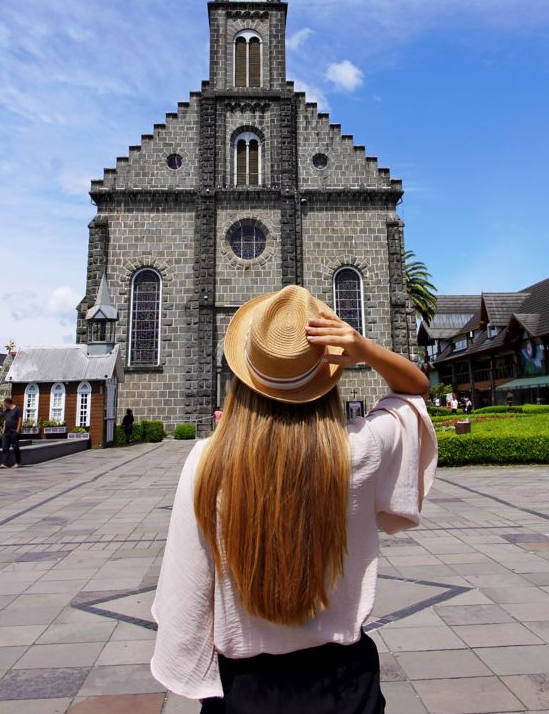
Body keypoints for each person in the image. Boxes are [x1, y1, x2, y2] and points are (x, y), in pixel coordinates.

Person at [151, 285, 435, 712]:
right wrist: (363, 348)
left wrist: (196, 670)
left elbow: (187, 581)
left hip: (245, 690)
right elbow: (414, 392)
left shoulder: (207, 459)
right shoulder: (358, 450)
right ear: (327, 376)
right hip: (344, 685)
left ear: (243, 376)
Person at [0, 397, 23, 469]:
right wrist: (3, 430)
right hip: (6, 432)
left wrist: (17, 430)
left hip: (14, 431)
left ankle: (18, 462)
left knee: (15, 447)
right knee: (5, 447)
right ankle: (4, 463)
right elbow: (5, 421)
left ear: (8, 403)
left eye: (5, 404)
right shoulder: (6, 411)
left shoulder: (17, 409)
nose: (4, 405)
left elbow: (20, 419)